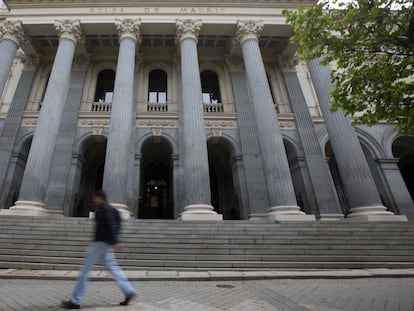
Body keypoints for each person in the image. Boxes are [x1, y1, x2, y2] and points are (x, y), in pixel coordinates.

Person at [61, 190, 136, 309]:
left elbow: (111, 224)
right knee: (113, 268)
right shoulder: (108, 209)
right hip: (105, 244)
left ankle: (75, 301)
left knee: (85, 271)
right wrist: (113, 241)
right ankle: (128, 291)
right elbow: (117, 223)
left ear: (101, 198)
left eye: (94, 199)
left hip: (100, 243)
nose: (93, 201)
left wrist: (115, 241)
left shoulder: (104, 209)